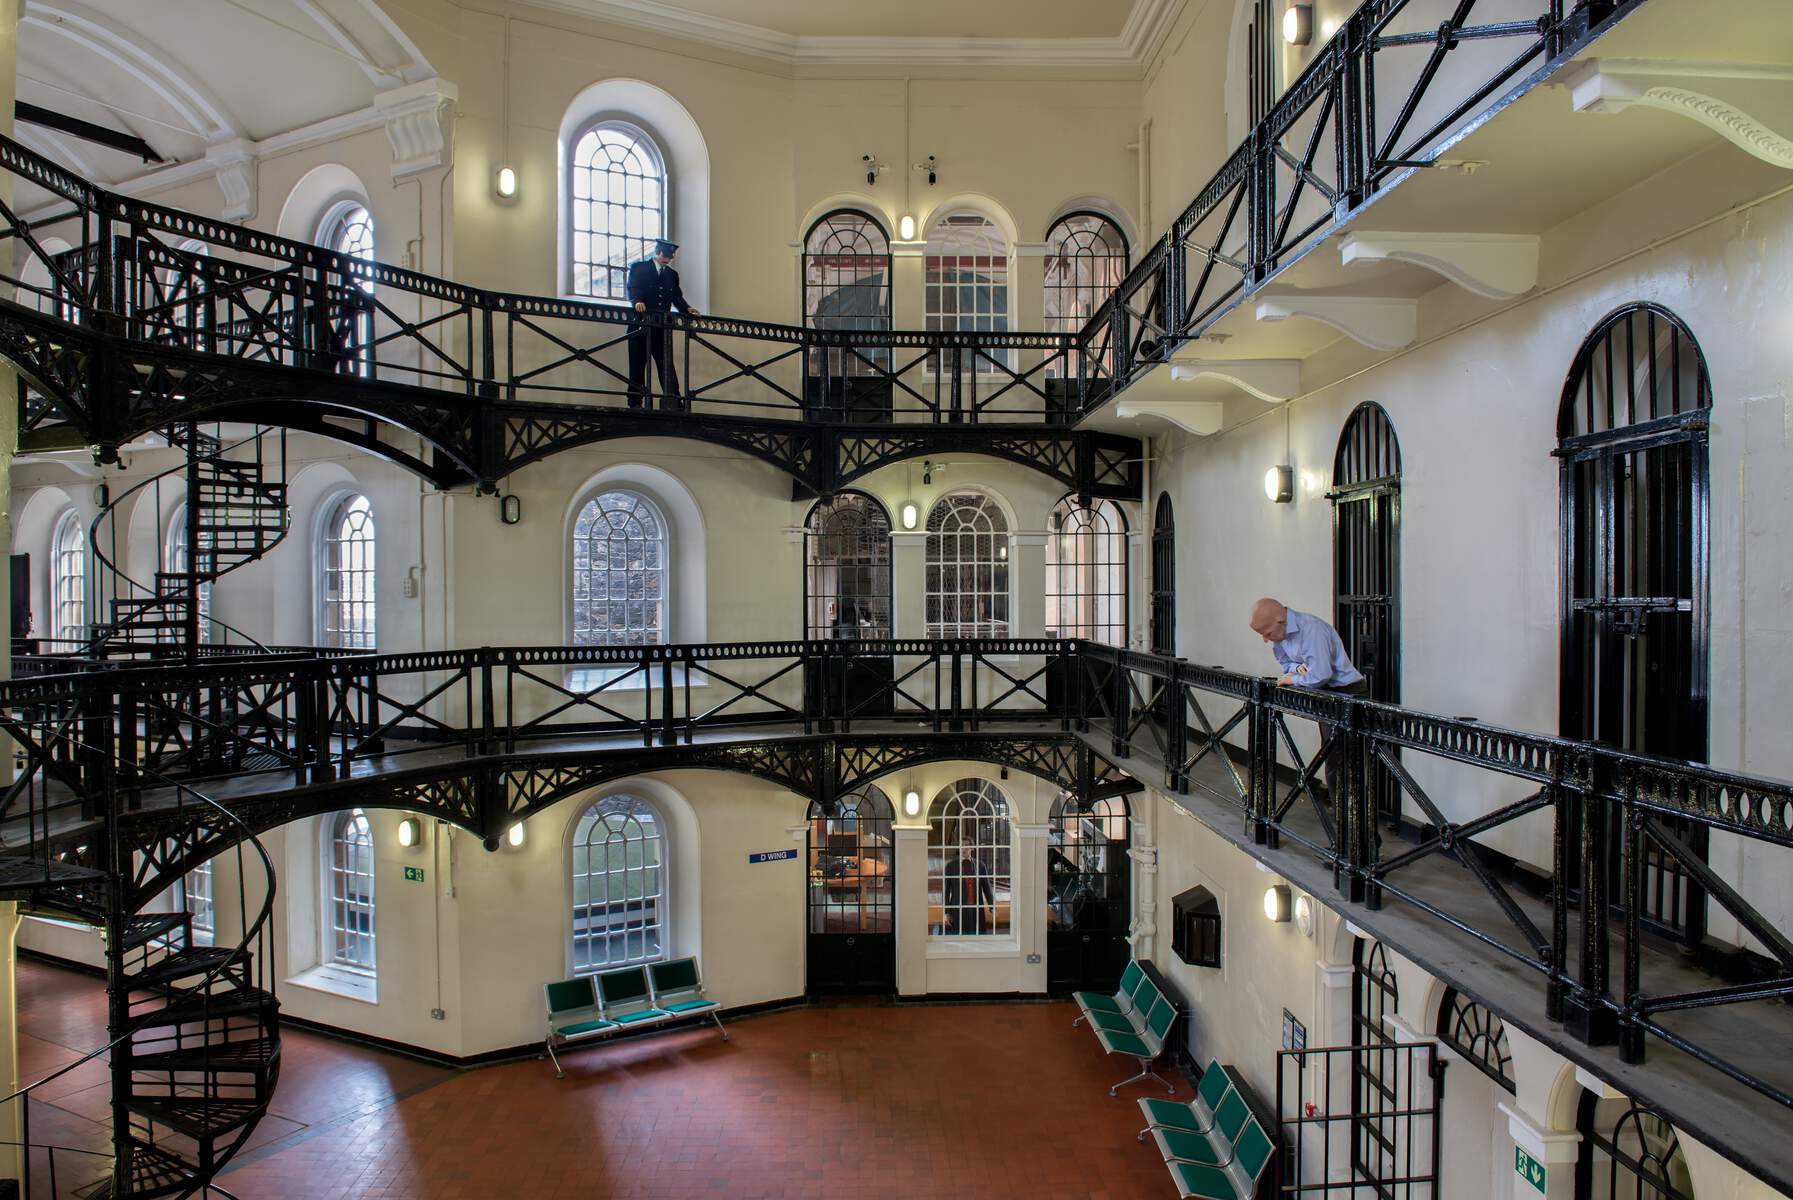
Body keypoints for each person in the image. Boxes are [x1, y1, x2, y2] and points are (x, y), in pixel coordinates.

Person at [1248, 597, 1367, 805]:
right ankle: (1343, 818)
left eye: (1266, 633)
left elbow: (1320, 674)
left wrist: (1296, 678)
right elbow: (1287, 665)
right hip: (1328, 696)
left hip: (1347, 694)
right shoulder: (1280, 635)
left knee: (1343, 761)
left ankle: (1351, 825)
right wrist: (1299, 671)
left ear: (1280, 621)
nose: (1266, 640)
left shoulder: (1312, 629)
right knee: (1334, 759)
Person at [626, 239, 699, 409]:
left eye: (670, 257)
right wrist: (636, 300)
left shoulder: (671, 275)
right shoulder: (639, 267)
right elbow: (633, 287)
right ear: (658, 252)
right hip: (640, 325)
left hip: (661, 328)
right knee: (637, 364)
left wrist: (686, 308)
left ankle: (674, 401)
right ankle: (635, 402)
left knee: (666, 365)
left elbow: (676, 297)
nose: (667, 259)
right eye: (665, 255)